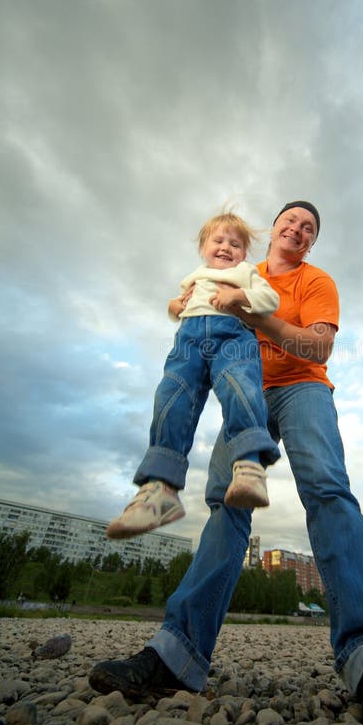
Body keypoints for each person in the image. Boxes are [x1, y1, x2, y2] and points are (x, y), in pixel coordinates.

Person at [91, 202, 363, 725]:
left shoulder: (315, 281)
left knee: (326, 487)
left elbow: (319, 347)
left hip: (301, 387)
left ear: (311, 243)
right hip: (248, 390)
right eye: (290, 221)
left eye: (308, 228)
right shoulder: (230, 268)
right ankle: (176, 653)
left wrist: (255, 316)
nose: (297, 229)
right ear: (272, 230)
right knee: (224, 500)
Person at [105, 212, 281, 540]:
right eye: (219, 241)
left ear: (244, 253)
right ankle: (160, 489)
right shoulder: (194, 276)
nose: (227, 247)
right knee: (171, 396)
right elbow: (179, 304)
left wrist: (240, 296)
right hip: (188, 342)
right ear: (203, 247)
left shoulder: (246, 273)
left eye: (236, 244)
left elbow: (270, 300)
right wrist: (173, 307)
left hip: (233, 337)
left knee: (239, 388)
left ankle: (249, 467)